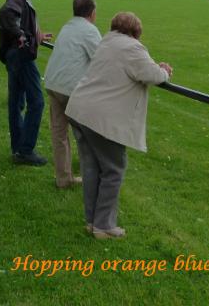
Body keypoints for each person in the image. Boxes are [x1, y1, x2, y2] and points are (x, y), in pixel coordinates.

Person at [65, 12, 172, 240]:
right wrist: (165, 70)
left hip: (80, 109)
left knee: (92, 167)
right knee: (113, 169)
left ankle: (93, 221)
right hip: (99, 118)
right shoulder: (132, 48)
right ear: (136, 32)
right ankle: (104, 226)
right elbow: (153, 75)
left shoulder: (107, 42)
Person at [43, 0, 101, 189]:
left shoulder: (67, 26)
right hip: (70, 89)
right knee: (87, 134)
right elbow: (101, 60)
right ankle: (94, 176)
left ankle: (63, 179)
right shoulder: (89, 31)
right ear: (92, 13)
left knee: (59, 133)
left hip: (53, 84)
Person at [0, 0, 52, 166]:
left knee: (16, 103)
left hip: (15, 56)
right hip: (21, 56)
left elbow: (19, 21)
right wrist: (21, 36)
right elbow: (6, 14)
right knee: (37, 102)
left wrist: (37, 36)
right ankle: (26, 150)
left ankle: (18, 149)